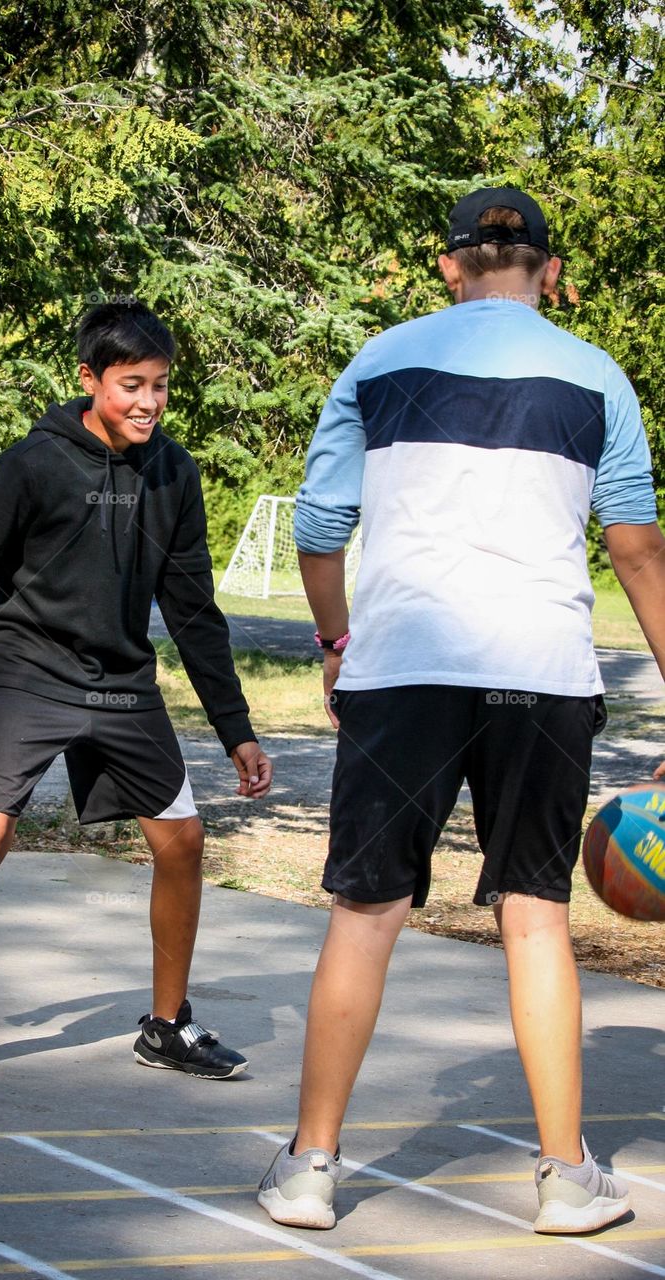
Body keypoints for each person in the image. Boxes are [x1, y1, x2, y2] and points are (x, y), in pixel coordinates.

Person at [257, 188, 664, 1234]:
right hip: (541, 672)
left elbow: (318, 528)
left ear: (449, 266)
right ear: (549, 271)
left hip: (404, 667)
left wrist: (338, 644)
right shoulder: (598, 376)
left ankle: (309, 1168)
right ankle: (565, 1178)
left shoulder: (377, 361)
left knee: (366, 911)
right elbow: (635, 551)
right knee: (533, 915)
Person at [0, 298, 272, 1092]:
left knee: (183, 840)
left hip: (123, 683)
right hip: (27, 673)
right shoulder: (32, 464)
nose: (149, 402)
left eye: (160, 385)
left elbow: (193, 612)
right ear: (89, 379)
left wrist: (235, 728)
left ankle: (166, 1025)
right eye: (132, 385)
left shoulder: (174, 473)